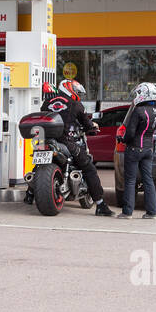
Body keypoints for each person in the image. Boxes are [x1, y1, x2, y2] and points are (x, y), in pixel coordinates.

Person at [38, 78, 112, 217]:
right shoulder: (75, 104)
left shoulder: (47, 102)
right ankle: (101, 204)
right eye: (76, 91)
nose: (77, 93)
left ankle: (30, 194)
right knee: (89, 167)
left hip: (45, 140)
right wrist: (92, 126)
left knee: (38, 164)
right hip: (66, 141)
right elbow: (87, 123)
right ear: (68, 88)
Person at [117, 82, 156, 219]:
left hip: (135, 149)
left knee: (130, 180)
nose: (136, 96)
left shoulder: (138, 111)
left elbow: (130, 133)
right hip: (148, 149)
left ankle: (127, 212)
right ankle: (152, 212)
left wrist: (122, 139)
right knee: (148, 180)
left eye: (138, 93)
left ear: (144, 94)